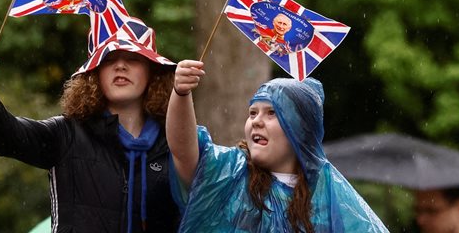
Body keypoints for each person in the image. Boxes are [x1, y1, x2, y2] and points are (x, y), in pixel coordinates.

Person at [0, 17, 180, 233]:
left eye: (133, 58)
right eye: (108, 59)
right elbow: (5, 136)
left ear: (152, 71)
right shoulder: (66, 134)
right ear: (94, 73)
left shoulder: (177, 144)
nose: (120, 66)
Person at [166, 59, 389, 232]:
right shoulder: (228, 172)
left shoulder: (328, 192)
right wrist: (181, 92)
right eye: (252, 113)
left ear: (300, 130)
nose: (257, 121)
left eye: (272, 113)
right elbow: (183, 149)